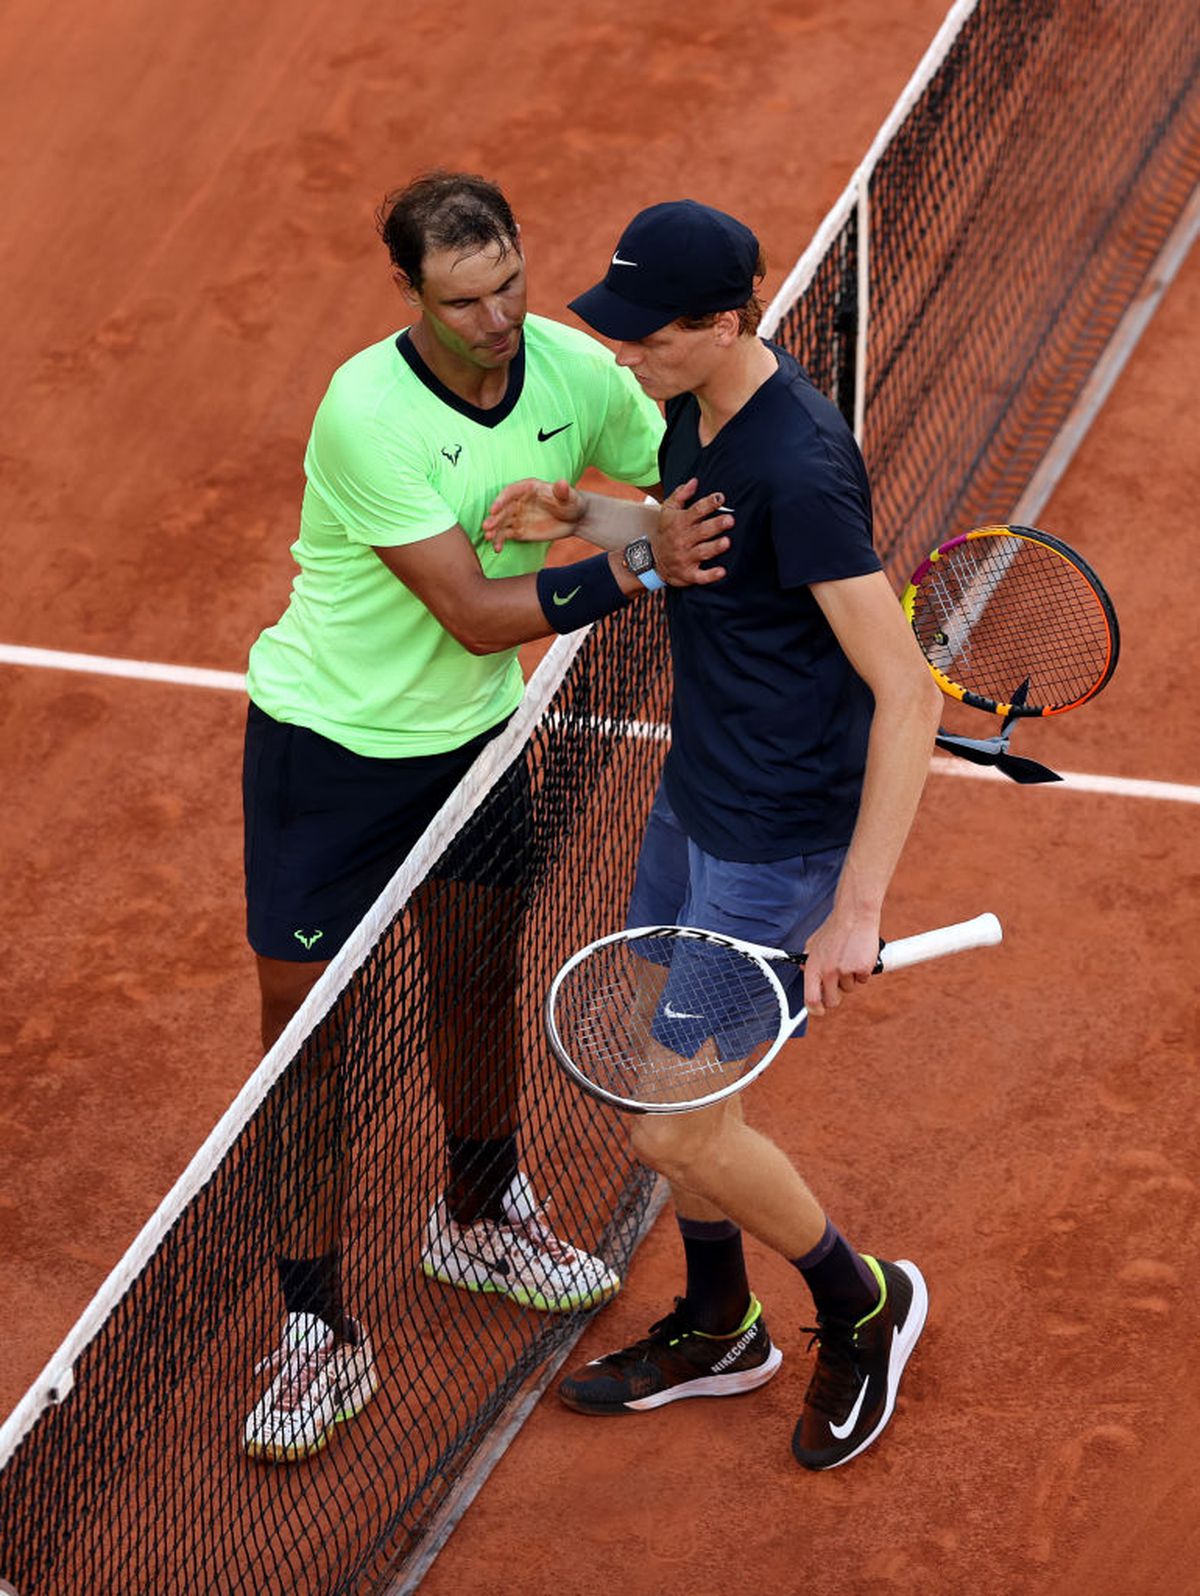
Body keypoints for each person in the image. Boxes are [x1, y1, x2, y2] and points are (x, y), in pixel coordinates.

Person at [240, 172, 733, 1463]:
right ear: (410, 296)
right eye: (464, 301)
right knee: (308, 1051)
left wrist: (617, 512)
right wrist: (631, 559)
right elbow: (474, 612)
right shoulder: (367, 414)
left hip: (471, 749)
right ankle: (312, 1327)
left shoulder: (570, 372)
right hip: (328, 757)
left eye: (509, 282)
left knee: (474, 987)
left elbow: (673, 467)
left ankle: (473, 1212)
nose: (499, 316)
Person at [482, 199, 943, 1471]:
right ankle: (720, 1320)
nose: (625, 354)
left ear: (725, 321)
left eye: (649, 337)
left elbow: (907, 690)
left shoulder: (798, 465)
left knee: (674, 1130)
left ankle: (864, 1307)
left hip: (777, 844)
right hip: (697, 800)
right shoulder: (698, 406)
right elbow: (707, 553)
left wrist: (855, 908)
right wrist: (591, 516)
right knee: (657, 1075)